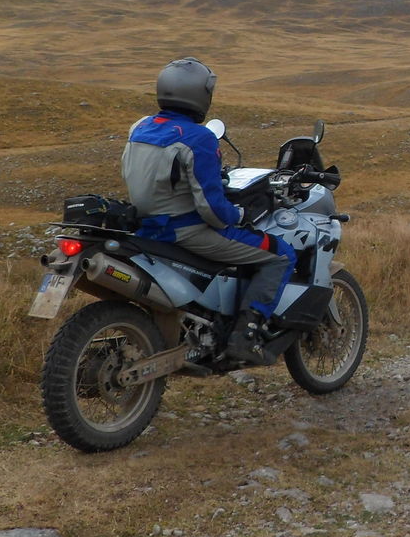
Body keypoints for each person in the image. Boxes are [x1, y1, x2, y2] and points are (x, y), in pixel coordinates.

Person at [121, 57, 295, 362]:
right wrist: (238, 215)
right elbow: (212, 209)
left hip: (144, 227)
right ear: (200, 95)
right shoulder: (198, 138)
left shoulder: (140, 127)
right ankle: (245, 337)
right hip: (185, 232)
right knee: (281, 255)